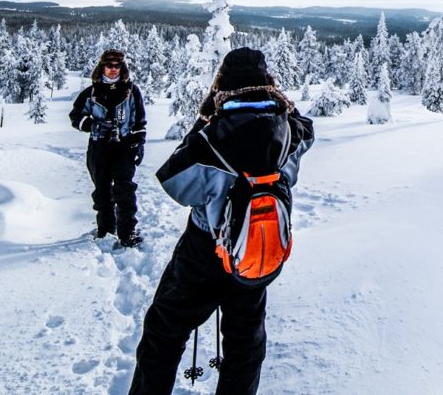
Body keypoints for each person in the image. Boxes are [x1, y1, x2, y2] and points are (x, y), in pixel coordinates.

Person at [130, 47, 314, 395]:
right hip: (257, 250)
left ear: (222, 84)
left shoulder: (209, 140)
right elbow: (307, 129)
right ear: (269, 83)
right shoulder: (290, 132)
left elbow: (174, 181)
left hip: (202, 252)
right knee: (245, 345)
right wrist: (283, 104)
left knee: (163, 334)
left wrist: (202, 122)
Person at [69, 48, 148, 248]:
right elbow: (75, 116)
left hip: (124, 146)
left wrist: (139, 144)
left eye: (117, 66)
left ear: (123, 68)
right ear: (102, 67)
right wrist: (91, 124)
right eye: (109, 65)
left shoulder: (131, 91)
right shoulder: (91, 93)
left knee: (124, 191)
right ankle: (105, 229)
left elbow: (140, 121)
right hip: (99, 147)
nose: (113, 70)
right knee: (102, 191)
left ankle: (127, 233)